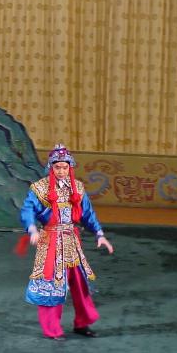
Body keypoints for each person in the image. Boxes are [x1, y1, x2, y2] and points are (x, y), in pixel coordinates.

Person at [20, 143, 114, 340]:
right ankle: (52, 329)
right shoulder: (39, 188)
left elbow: (88, 213)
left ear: (69, 167)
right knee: (52, 285)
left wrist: (99, 234)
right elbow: (27, 209)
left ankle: (82, 323)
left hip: (71, 242)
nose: (61, 171)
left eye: (65, 167)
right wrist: (31, 229)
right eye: (57, 167)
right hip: (50, 242)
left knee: (80, 284)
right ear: (51, 167)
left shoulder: (77, 188)